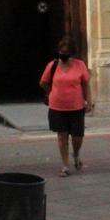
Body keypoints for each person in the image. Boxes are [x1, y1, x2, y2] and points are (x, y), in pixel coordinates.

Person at [40, 35, 94, 177]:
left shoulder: (80, 65)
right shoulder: (52, 66)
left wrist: (89, 101)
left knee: (78, 136)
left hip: (76, 106)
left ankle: (75, 154)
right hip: (57, 107)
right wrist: (51, 92)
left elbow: (85, 85)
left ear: (72, 53)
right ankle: (65, 165)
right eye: (62, 52)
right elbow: (43, 82)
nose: (64, 55)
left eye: (67, 52)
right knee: (62, 137)